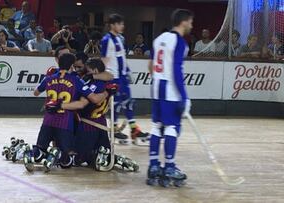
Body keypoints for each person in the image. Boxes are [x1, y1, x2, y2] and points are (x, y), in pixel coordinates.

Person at [22, 53, 111, 172]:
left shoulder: (49, 79)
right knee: (67, 159)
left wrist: (50, 95)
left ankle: (34, 154)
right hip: (65, 123)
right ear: (71, 66)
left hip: (48, 120)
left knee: (40, 148)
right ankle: (60, 156)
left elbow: (36, 92)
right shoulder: (76, 81)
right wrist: (107, 93)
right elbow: (93, 99)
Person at [147, 9, 193, 187]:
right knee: (172, 127)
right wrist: (184, 96)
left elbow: (151, 65)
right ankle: (169, 166)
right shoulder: (180, 42)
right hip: (170, 90)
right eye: (190, 22)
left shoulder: (159, 39)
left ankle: (153, 166)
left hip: (157, 87)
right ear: (183, 22)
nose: (191, 25)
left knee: (157, 126)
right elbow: (176, 70)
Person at [100, 13, 148, 145]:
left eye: (122, 23)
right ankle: (114, 130)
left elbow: (122, 57)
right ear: (112, 25)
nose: (123, 26)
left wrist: (127, 71)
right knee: (116, 104)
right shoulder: (106, 40)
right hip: (113, 77)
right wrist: (104, 77)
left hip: (122, 77)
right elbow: (104, 60)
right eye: (120, 24)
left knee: (129, 102)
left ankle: (134, 130)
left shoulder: (120, 39)